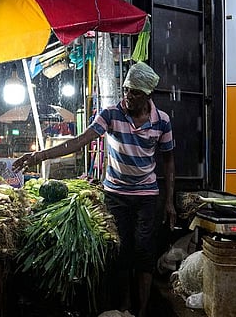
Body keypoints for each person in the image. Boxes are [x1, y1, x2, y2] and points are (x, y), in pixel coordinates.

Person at [13, 62, 176, 317]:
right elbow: (78, 142)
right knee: (120, 253)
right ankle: (123, 308)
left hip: (146, 196)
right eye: (126, 90)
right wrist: (37, 157)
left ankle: (142, 311)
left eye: (134, 92)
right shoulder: (111, 114)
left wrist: (169, 202)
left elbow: (168, 160)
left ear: (147, 95)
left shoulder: (162, 121)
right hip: (116, 194)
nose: (128, 97)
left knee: (144, 254)